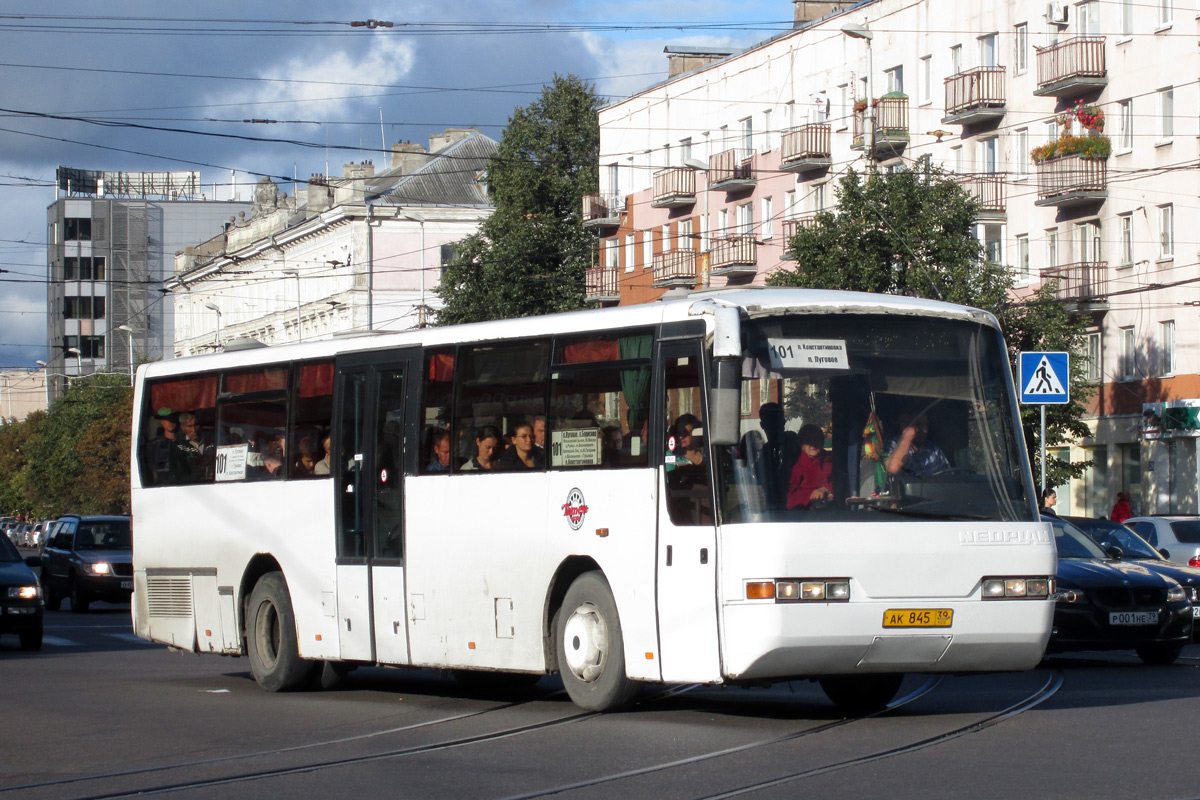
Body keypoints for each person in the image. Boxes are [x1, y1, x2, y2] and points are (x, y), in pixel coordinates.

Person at [884, 408, 950, 477]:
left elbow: (948, 479)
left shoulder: (933, 449)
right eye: (919, 425)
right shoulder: (893, 444)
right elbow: (893, 468)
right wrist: (907, 438)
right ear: (904, 426)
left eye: (926, 425)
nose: (925, 430)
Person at [787, 424, 834, 510]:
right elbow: (790, 499)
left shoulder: (832, 460)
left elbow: (841, 482)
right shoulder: (795, 465)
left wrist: (825, 489)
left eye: (816, 440)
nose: (813, 444)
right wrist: (812, 495)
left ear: (822, 442)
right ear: (802, 445)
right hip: (806, 515)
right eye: (808, 441)